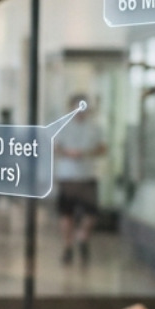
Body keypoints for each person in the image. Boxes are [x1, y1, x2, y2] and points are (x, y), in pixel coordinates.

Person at [54, 94, 106, 265]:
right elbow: (55, 147)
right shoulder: (63, 126)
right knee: (66, 214)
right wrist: (68, 153)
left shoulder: (95, 128)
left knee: (90, 214)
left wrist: (86, 153)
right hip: (68, 176)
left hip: (87, 175)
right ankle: (68, 246)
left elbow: (102, 148)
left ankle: (82, 238)